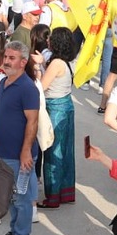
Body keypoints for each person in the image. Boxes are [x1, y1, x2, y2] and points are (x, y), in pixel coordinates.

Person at [0, 42, 41, 235]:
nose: (7, 61)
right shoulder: (3, 83)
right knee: (9, 195)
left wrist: (26, 151)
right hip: (3, 151)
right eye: (6, 57)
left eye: (12, 58)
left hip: (20, 156)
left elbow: (33, 122)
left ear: (23, 62)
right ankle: (14, 232)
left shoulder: (28, 88)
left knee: (22, 197)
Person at [38, 27, 79, 208]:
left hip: (55, 109)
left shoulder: (55, 64)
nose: (48, 40)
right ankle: (65, 191)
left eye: (51, 38)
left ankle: (53, 196)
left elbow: (42, 86)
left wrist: (38, 69)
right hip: (66, 105)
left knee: (53, 152)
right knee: (66, 151)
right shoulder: (66, 61)